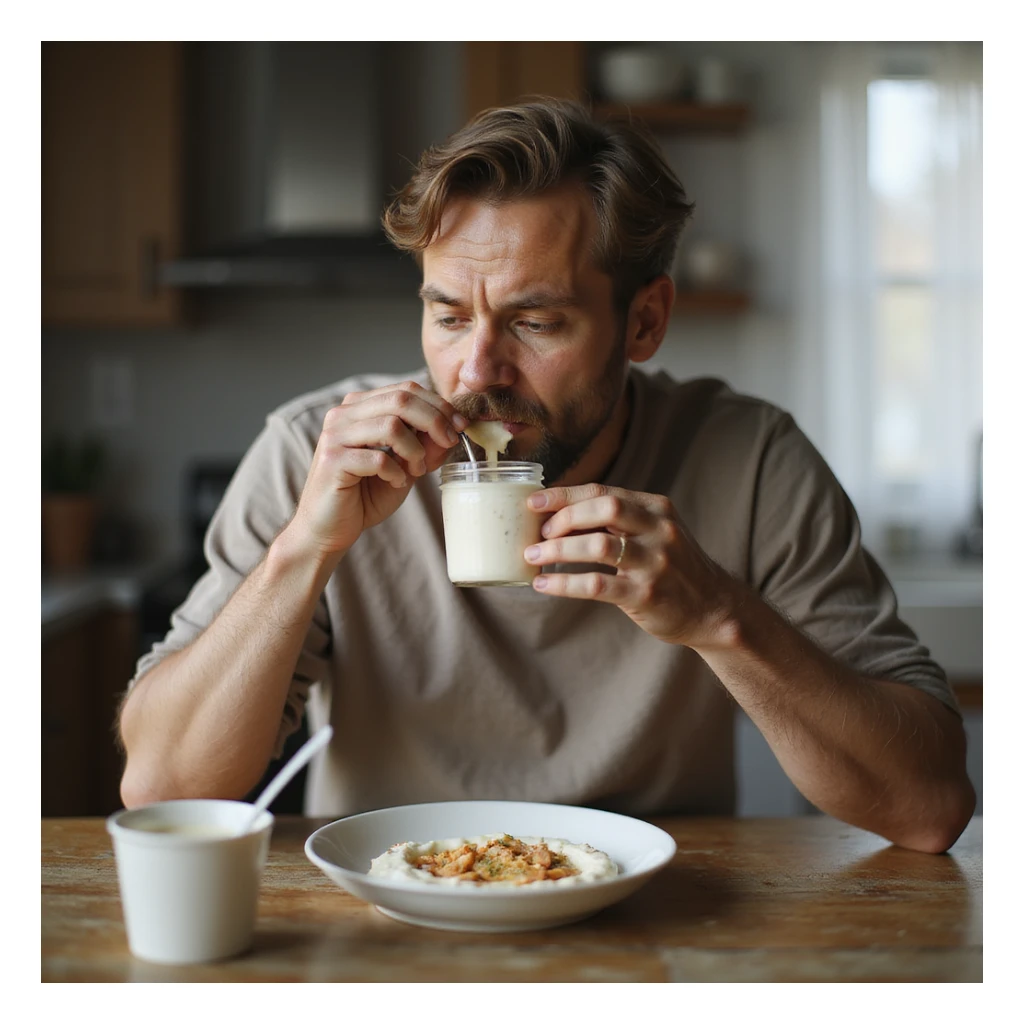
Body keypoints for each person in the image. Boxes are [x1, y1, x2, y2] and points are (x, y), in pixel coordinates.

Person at [118, 98, 975, 853]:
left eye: (536, 321)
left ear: (644, 322)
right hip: (384, 916)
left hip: (652, 923)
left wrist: (719, 615)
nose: (476, 371)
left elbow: (928, 808)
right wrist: (305, 548)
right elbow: (163, 790)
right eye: (449, 315)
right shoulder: (317, 454)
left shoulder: (751, 462)